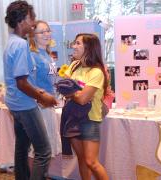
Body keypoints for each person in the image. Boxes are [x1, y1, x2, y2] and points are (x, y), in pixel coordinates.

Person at [3, 1, 58, 180]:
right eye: (31, 18)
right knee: (43, 151)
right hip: (25, 105)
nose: (33, 22)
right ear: (22, 20)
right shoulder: (20, 45)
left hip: (15, 103)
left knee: (22, 148)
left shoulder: (12, 42)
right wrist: (44, 98)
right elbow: (22, 83)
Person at [63, 33, 109, 180]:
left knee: (91, 162)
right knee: (81, 159)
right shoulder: (74, 66)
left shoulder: (96, 72)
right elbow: (64, 88)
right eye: (74, 43)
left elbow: (83, 99)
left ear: (88, 48)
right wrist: (72, 91)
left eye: (77, 43)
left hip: (89, 120)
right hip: (72, 119)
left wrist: (71, 91)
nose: (73, 46)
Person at [29, 20, 61, 157]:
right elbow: (29, 83)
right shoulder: (32, 55)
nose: (47, 34)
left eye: (48, 30)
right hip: (39, 106)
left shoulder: (48, 54)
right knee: (39, 149)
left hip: (48, 104)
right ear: (33, 35)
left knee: (46, 148)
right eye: (42, 32)